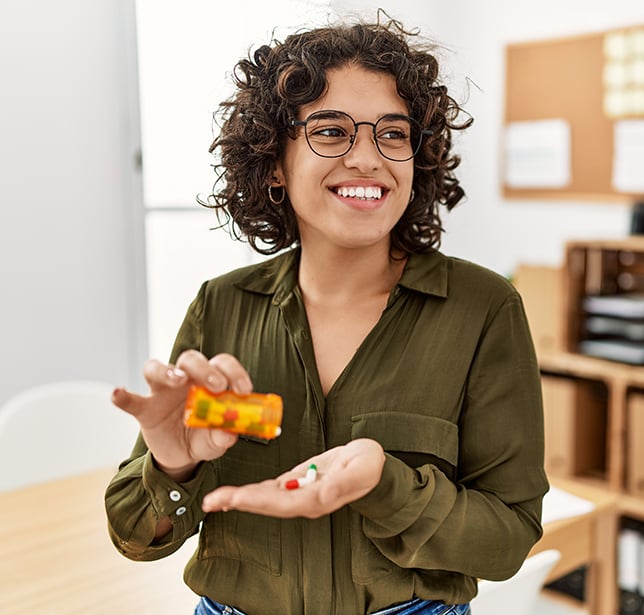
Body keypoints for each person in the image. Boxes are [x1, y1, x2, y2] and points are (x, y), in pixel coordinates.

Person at [105, 14, 548, 615]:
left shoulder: (484, 309)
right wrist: (173, 462)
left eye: (393, 134)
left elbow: (507, 539)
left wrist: (384, 485)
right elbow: (136, 536)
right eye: (331, 131)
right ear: (275, 165)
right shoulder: (222, 305)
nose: (368, 158)